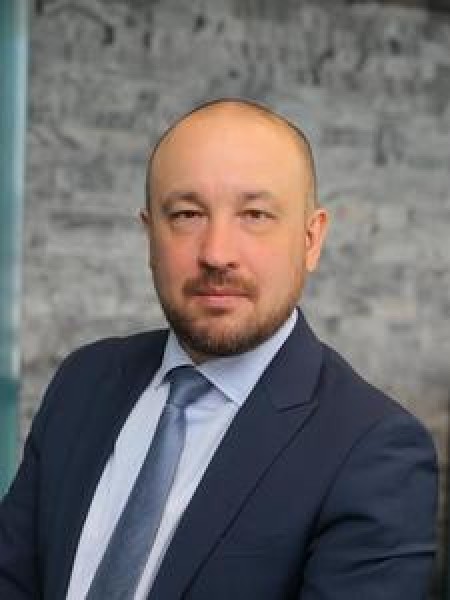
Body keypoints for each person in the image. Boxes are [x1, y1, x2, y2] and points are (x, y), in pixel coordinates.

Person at [0, 98, 438, 599]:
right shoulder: (85, 379)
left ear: (311, 239)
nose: (216, 253)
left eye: (255, 214)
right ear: (150, 235)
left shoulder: (375, 451)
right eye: (187, 214)